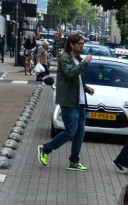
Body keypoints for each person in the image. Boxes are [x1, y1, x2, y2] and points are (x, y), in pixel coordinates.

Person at [37, 33, 96, 171]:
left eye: (83, 44)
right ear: (71, 44)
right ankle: (46, 149)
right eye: (80, 44)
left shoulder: (77, 59)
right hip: (69, 101)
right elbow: (70, 73)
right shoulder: (65, 58)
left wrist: (86, 89)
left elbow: (78, 80)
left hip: (80, 102)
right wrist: (85, 63)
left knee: (80, 133)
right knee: (70, 131)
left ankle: (74, 161)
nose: (82, 46)